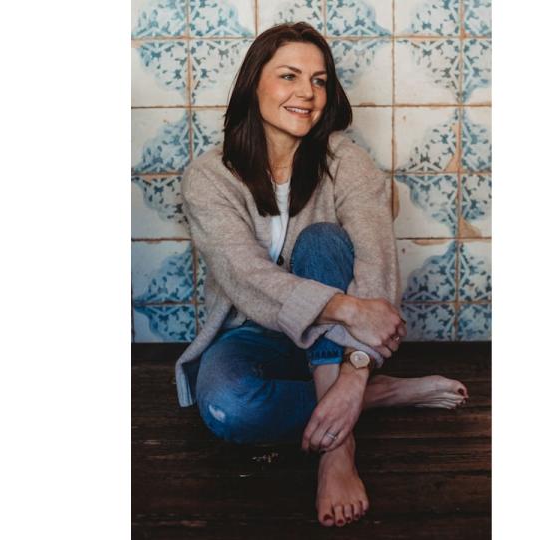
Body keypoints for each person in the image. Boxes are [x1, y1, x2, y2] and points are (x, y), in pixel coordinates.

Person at [175, 22, 468, 528]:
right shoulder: (209, 175)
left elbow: (377, 262)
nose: (307, 94)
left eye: (319, 80)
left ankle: (338, 448)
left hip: (337, 343)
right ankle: (384, 395)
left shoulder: (346, 163)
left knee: (324, 241)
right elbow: (244, 276)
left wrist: (356, 367)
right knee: (228, 406)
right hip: (254, 335)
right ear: (254, 84)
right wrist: (349, 311)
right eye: (289, 76)